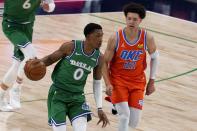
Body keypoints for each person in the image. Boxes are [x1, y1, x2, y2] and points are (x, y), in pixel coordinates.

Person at [39, 23, 109, 131]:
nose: (101, 39)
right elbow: (49, 59)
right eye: (97, 36)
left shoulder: (99, 57)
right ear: (88, 36)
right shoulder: (71, 47)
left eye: (102, 36)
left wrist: (99, 108)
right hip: (58, 95)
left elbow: (97, 82)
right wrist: (37, 62)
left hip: (77, 98)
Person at [102, 2, 159, 131]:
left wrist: (152, 81)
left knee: (133, 122)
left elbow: (155, 57)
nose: (131, 22)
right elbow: (104, 63)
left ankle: (116, 104)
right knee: (124, 116)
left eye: (135, 19)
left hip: (137, 82)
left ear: (140, 20)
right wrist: (107, 83)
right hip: (118, 80)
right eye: (129, 18)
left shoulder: (147, 37)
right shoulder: (115, 38)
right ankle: (117, 103)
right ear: (125, 18)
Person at [0, 0, 56, 111]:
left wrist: (48, 7)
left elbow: (52, 5)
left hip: (28, 27)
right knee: (31, 55)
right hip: (11, 25)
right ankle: (16, 88)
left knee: (17, 64)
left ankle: (1, 96)